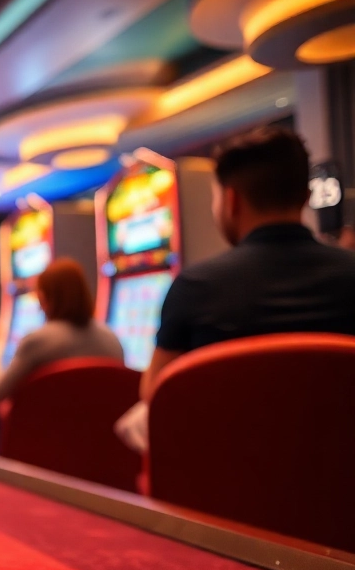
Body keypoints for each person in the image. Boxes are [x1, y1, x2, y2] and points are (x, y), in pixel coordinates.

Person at [117, 128, 355, 452]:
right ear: (304, 195)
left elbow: (155, 393)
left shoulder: (196, 287)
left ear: (231, 201)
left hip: (224, 487)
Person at [0, 258, 123, 407]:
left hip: (45, 429)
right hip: (100, 429)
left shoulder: (37, 341)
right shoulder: (112, 339)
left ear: (44, 298)